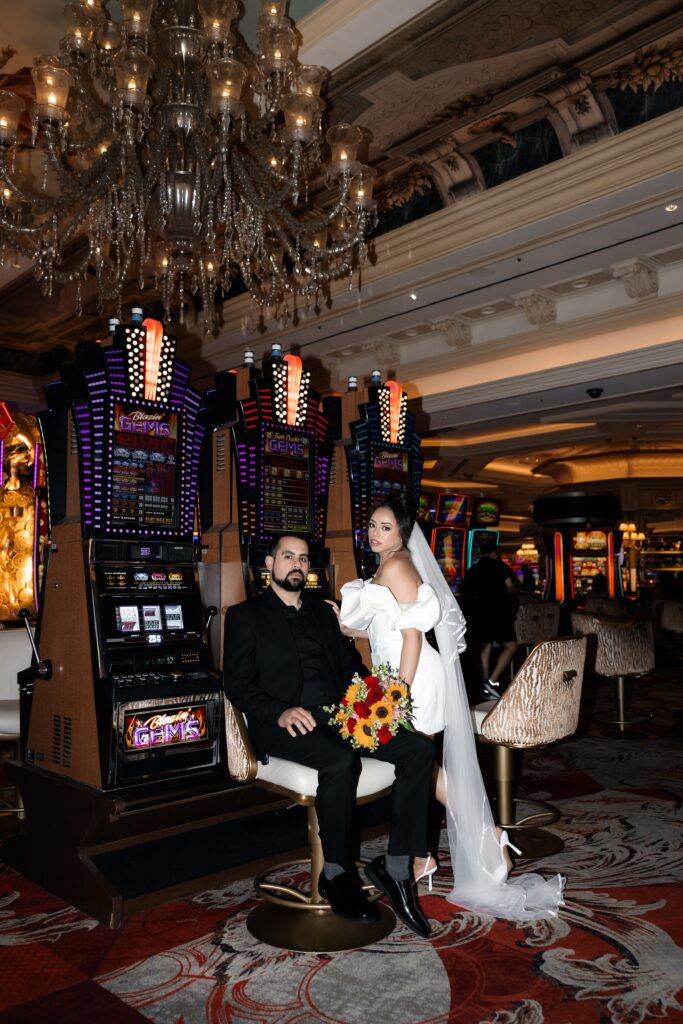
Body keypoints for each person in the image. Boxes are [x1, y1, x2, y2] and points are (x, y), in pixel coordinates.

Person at [337, 497, 564, 921]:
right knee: (425, 770)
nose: (374, 532)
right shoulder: (395, 564)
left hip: (411, 679)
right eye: (371, 524)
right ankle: (440, 851)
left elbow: (411, 638)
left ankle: (473, 838)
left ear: (403, 533)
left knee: (422, 767)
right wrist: (345, 625)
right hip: (405, 675)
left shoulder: (396, 566)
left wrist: (396, 692)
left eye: (385, 527)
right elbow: (386, 624)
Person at [223, 534, 435, 937]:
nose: (297, 564)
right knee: (340, 762)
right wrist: (279, 711)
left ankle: (395, 866)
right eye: (288, 556)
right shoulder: (245, 615)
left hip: (339, 717)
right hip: (284, 724)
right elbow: (237, 683)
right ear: (268, 564)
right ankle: (335, 873)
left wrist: (373, 705)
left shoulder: (322, 612)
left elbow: (349, 666)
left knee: (418, 749)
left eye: (303, 558)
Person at [461, 539, 519, 700]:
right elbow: (509, 586)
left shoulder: (473, 570)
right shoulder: (500, 566)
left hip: (479, 614)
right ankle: (492, 681)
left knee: (485, 648)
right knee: (511, 646)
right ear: (495, 552)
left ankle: (484, 684)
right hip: (500, 613)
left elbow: (465, 592)